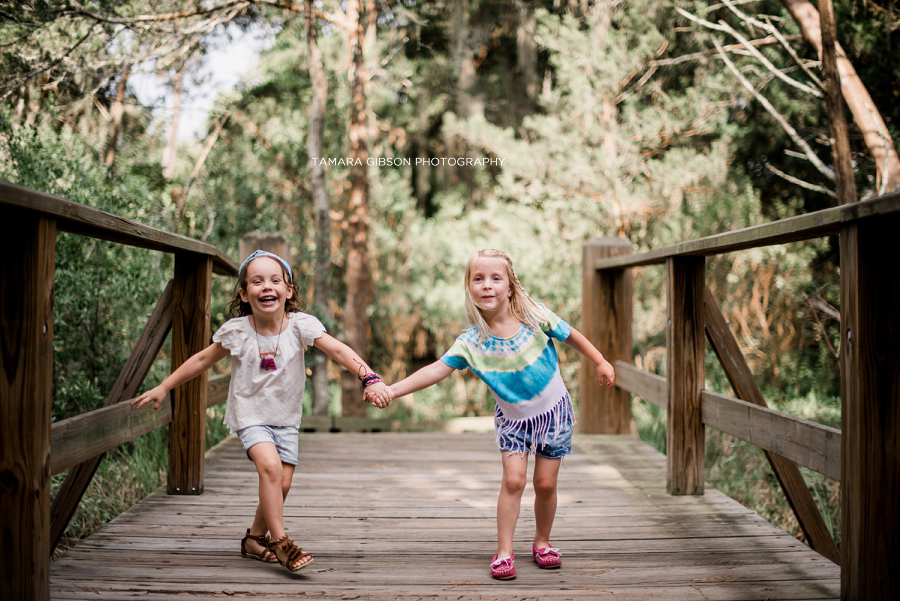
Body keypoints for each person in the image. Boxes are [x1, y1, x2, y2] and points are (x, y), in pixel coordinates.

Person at [132, 250, 392, 572]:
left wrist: (369, 377)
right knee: (269, 467)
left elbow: (338, 350)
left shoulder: (301, 326)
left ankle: (254, 539)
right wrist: (164, 386)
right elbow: (201, 360)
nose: (266, 286)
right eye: (256, 281)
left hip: (285, 417)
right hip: (250, 413)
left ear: (289, 290)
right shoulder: (238, 331)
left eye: (275, 280)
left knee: (280, 483)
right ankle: (281, 542)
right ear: (244, 293)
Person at [370, 249, 614, 580]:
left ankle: (542, 542)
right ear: (469, 288)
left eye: (496, 278)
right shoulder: (471, 342)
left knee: (545, 483)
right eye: (478, 279)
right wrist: (392, 390)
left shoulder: (534, 317)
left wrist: (600, 360)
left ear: (510, 286)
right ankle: (504, 552)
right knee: (513, 480)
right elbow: (435, 371)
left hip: (553, 413)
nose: (487, 286)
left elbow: (572, 336)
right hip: (513, 421)